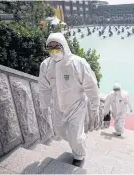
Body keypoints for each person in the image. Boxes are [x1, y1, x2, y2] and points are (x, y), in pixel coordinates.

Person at [39, 33, 100, 167]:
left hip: (76, 106)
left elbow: (91, 86)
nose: (53, 49)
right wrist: (44, 106)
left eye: (57, 46)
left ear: (64, 46)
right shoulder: (46, 65)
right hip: (58, 107)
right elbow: (44, 88)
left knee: (75, 136)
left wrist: (95, 106)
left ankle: (79, 155)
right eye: (50, 47)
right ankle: (77, 141)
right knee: (60, 131)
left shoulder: (78, 63)